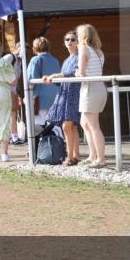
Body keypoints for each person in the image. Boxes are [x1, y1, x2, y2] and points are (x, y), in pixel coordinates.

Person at [43, 30, 82, 165]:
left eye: (73, 39)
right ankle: (76, 156)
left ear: (78, 42)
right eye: (67, 39)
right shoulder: (67, 59)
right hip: (64, 93)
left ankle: (70, 157)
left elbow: (74, 73)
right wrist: (51, 79)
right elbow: (63, 79)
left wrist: (55, 75)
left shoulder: (79, 57)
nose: (70, 42)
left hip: (74, 93)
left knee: (67, 126)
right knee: (72, 127)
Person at [76, 24, 108, 168]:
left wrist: (76, 73)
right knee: (85, 123)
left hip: (90, 88)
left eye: (78, 34)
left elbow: (81, 73)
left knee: (94, 126)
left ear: (83, 35)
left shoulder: (84, 49)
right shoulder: (99, 51)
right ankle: (92, 155)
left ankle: (100, 159)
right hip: (99, 87)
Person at [27, 36, 61, 127]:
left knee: (39, 127)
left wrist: (27, 96)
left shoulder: (35, 60)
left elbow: (31, 79)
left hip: (39, 99)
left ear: (35, 47)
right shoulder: (55, 60)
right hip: (54, 97)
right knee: (52, 126)